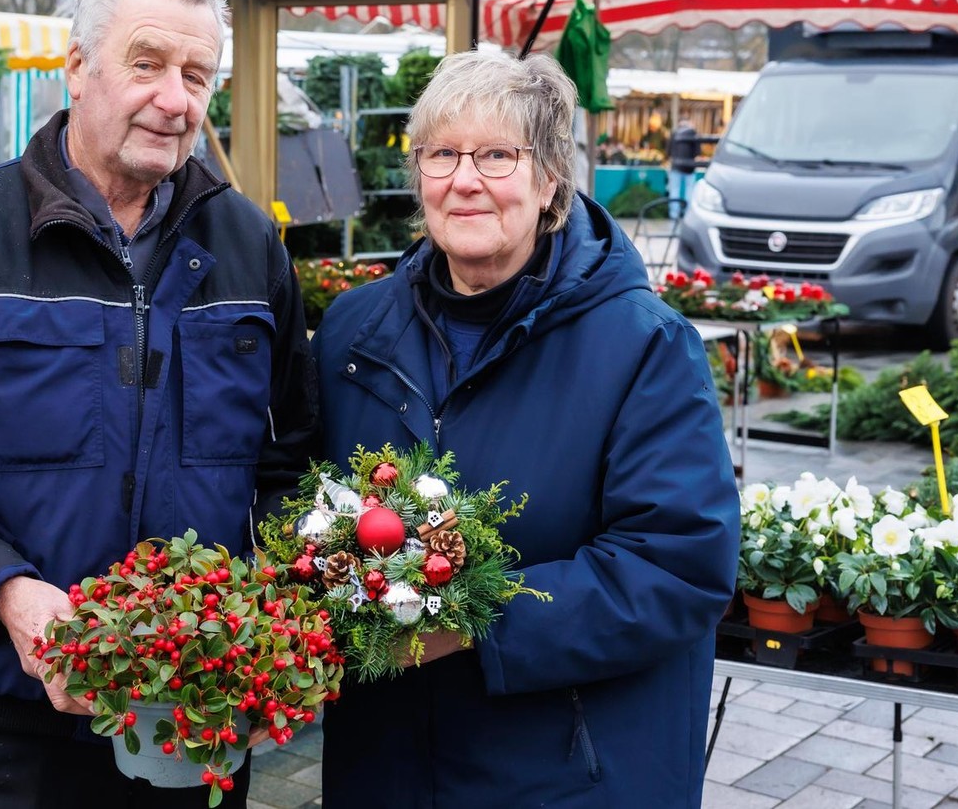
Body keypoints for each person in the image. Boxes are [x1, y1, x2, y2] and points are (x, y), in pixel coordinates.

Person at [0, 0, 316, 808]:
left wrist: (258, 616)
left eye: (198, 75)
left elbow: (289, 469)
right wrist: (7, 595)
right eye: (147, 64)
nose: (176, 99)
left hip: (196, 718)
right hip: (8, 732)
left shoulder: (249, 247)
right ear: (78, 69)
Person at [311, 50, 738, 807]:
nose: (464, 179)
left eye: (498, 155)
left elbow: (676, 568)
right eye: (441, 153)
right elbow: (304, 503)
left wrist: (471, 621)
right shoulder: (353, 331)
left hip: (562, 767)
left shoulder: (643, 346)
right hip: (387, 762)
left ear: (550, 181)